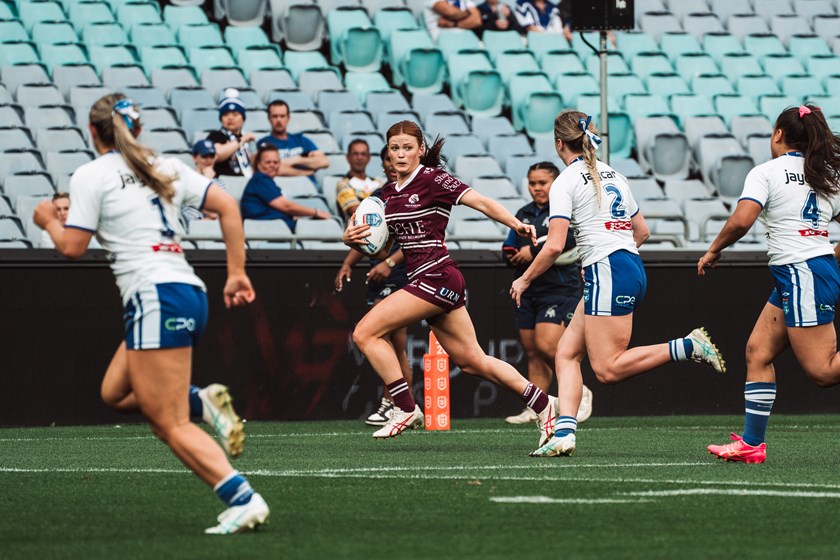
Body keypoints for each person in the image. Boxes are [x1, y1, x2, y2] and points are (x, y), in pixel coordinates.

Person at [33, 94, 269, 534]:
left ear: (92, 131)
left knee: (168, 424)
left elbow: (71, 246)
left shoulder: (91, 174)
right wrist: (235, 272)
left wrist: (48, 218)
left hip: (155, 297)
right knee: (116, 393)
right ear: (137, 130)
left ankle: (242, 498)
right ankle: (203, 401)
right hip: (185, 291)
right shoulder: (166, 165)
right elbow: (229, 207)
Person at [510, 109, 726, 457]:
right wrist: (605, 258)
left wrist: (524, 279)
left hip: (609, 270)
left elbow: (553, 245)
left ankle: (687, 346)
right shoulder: (614, 175)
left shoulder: (565, 181)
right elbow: (642, 231)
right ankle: (564, 433)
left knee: (607, 369)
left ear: (558, 143)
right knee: (566, 354)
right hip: (625, 265)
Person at [343, 120, 560, 446]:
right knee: (474, 362)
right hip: (427, 280)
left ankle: (404, 408)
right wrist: (353, 239)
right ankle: (545, 405)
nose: (400, 154)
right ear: (387, 153)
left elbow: (483, 202)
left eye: (407, 147)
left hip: (437, 276)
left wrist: (516, 223)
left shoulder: (433, 179)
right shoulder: (387, 194)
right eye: (395, 148)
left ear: (420, 150)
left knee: (365, 332)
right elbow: (379, 245)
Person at [699, 104, 840, 464]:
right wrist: (830, 252)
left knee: (823, 371)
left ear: (778, 134)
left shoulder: (767, 172)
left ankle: (752, 442)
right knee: (757, 352)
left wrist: (714, 249)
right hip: (803, 271)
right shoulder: (825, 175)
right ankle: (752, 443)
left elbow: (742, 220)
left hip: (801, 271)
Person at [502, 161, 593, 425]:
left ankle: (580, 391)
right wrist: (515, 256)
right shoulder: (524, 212)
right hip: (529, 290)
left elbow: (570, 241)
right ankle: (538, 407)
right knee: (532, 351)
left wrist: (533, 251)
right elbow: (509, 248)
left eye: (543, 183)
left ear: (555, 183)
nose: (537, 188)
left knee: (547, 345)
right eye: (532, 183)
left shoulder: (564, 209)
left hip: (560, 289)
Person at [335, 146, 411, 426]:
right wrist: (348, 263)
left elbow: (418, 239)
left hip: (403, 274)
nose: (395, 164)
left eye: (398, 159)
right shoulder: (378, 198)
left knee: (393, 341)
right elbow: (368, 236)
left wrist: (389, 263)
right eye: (389, 161)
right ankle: (399, 404)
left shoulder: (414, 195)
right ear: (384, 166)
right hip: (379, 275)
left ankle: (393, 403)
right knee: (385, 340)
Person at [240, 144, 331, 232]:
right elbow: (286, 206)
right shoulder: (260, 179)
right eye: (268, 162)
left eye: (275, 162)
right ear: (259, 165)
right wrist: (316, 212)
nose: (272, 165)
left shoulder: (266, 181)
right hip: (265, 231)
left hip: (275, 230)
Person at [258, 100, 328, 184]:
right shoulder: (264, 144)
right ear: (269, 118)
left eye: (282, 116)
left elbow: (324, 162)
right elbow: (275, 170)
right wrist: (306, 172)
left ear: (288, 118)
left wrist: (296, 160)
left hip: (307, 187)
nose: (279, 120)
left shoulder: (301, 140)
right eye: (275, 116)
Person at [206, 91, 256, 178]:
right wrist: (241, 140)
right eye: (225, 114)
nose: (230, 118)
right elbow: (216, 154)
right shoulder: (216, 135)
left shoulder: (249, 139)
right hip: (224, 183)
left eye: (235, 114)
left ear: (243, 118)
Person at [335, 139, 382, 222]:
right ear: (348, 157)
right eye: (355, 154)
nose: (359, 157)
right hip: (357, 232)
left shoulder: (378, 183)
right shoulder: (343, 184)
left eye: (363, 154)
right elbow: (359, 212)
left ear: (369, 158)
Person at [182, 140, 223, 227]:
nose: (208, 160)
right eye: (204, 156)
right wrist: (206, 180)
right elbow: (193, 219)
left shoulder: (218, 182)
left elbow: (222, 212)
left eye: (211, 156)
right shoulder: (187, 180)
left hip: (217, 229)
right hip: (195, 228)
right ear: (194, 158)